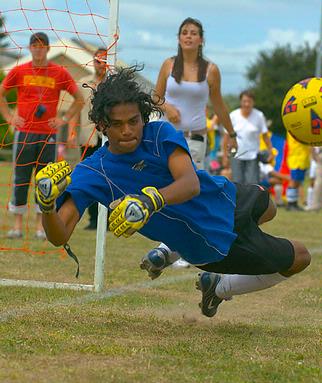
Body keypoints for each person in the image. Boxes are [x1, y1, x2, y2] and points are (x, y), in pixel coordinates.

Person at [35, 66, 311, 318]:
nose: (128, 130)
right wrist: (47, 206)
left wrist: (150, 200)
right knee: (300, 256)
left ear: (143, 117)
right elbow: (60, 235)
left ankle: (169, 250)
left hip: (223, 195)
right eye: (117, 125)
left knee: (269, 207)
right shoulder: (92, 172)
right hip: (210, 242)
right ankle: (219, 288)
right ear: (102, 126)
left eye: (134, 121)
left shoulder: (158, 133)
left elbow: (189, 184)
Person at [152, 17, 238, 268]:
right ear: (179, 38)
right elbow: (155, 97)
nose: (188, 36)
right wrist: (167, 107)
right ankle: (168, 243)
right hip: (169, 137)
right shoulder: (168, 65)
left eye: (194, 33)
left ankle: (180, 248)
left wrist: (231, 133)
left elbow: (219, 104)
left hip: (196, 139)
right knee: (167, 187)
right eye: (184, 32)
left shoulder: (211, 70)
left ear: (201, 39)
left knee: (189, 191)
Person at [0, 32, 84, 239]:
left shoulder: (59, 72)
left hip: (48, 136)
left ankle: (40, 227)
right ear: (30, 48)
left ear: (48, 49)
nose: (38, 49)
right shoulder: (19, 71)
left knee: (45, 180)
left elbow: (79, 99)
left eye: (42, 45)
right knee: (20, 179)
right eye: (34, 45)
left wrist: (63, 120)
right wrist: (10, 117)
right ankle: (17, 226)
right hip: (24, 134)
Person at [70, 48, 107, 230]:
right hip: (88, 139)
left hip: (108, 140)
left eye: (104, 61)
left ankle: (108, 218)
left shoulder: (114, 84)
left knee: (109, 178)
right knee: (90, 177)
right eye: (98, 61)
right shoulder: (84, 84)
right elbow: (76, 110)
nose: (101, 64)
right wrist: (72, 132)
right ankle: (93, 219)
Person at [223, 90, 273, 184]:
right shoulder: (233, 115)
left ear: (253, 102)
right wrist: (225, 155)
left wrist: (271, 151)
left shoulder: (259, 115)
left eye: (249, 101)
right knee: (237, 183)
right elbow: (226, 137)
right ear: (240, 102)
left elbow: (265, 136)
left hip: (253, 156)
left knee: (252, 184)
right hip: (236, 155)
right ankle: (239, 199)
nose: (247, 104)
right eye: (244, 101)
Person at [285, 133, 311, 211]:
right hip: (296, 159)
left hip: (302, 158)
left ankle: (294, 203)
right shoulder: (294, 130)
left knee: (297, 182)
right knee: (294, 181)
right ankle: (290, 203)